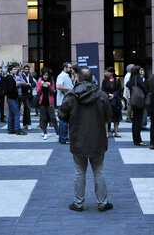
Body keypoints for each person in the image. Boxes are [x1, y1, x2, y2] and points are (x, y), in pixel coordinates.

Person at [58, 67, 113, 212]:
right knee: (99, 171)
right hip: (98, 139)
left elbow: (62, 116)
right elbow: (109, 115)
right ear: (92, 79)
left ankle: (78, 203)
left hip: (78, 139)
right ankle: (102, 203)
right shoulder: (101, 95)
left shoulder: (71, 95)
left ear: (78, 78)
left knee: (79, 172)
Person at [2, 64, 26, 135]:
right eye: (14, 69)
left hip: (10, 98)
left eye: (16, 69)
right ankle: (17, 129)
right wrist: (16, 94)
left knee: (11, 114)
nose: (16, 70)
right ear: (10, 70)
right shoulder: (10, 78)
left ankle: (11, 129)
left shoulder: (10, 77)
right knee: (16, 114)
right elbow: (10, 89)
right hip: (12, 98)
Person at [127, 65, 147, 146]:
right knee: (138, 121)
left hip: (133, 101)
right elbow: (144, 88)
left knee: (135, 120)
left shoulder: (131, 79)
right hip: (139, 101)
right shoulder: (138, 78)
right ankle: (138, 140)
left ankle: (135, 139)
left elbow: (128, 85)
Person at [101, 67, 123, 138]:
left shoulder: (117, 80)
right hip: (107, 100)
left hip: (116, 101)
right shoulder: (105, 81)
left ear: (112, 73)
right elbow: (103, 90)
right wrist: (109, 94)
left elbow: (119, 90)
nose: (106, 73)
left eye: (108, 72)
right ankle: (106, 133)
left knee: (116, 117)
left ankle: (116, 132)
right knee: (107, 117)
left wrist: (114, 95)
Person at [56, 62, 74, 144]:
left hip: (66, 101)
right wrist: (69, 89)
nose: (71, 69)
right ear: (65, 68)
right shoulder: (61, 76)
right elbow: (58, 86)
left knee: (65, 120)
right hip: (63, 101)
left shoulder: (66, 76)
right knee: (63, 120)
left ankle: (64, 138)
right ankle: (63, 139)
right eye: (69, 68)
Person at [36, 68, 57, 140]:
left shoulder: (51, 81)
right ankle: (45, 133)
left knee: (53, 118)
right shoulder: (40, 81)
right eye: (44, 75)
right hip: (42, 102)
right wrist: (41, 85)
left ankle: (57, 133)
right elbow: (38, 92)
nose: (45, 76)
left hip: (49, 102)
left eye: (47, 75)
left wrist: (49, 86)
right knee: (43, 118)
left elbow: (53, 92)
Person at [20, 65, 36, 130]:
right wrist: (29, 85)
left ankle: (24, 123)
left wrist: (29, 84)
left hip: (30, 95)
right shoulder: (22, 76)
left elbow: (34, 84)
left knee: (26, 110)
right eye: (26, 69)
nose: (27, 70)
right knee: (28, 109)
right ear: (23, 70)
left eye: (28, 69)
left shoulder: (29, 76)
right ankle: (29, 123)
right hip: (24, 95)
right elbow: (23, 86)